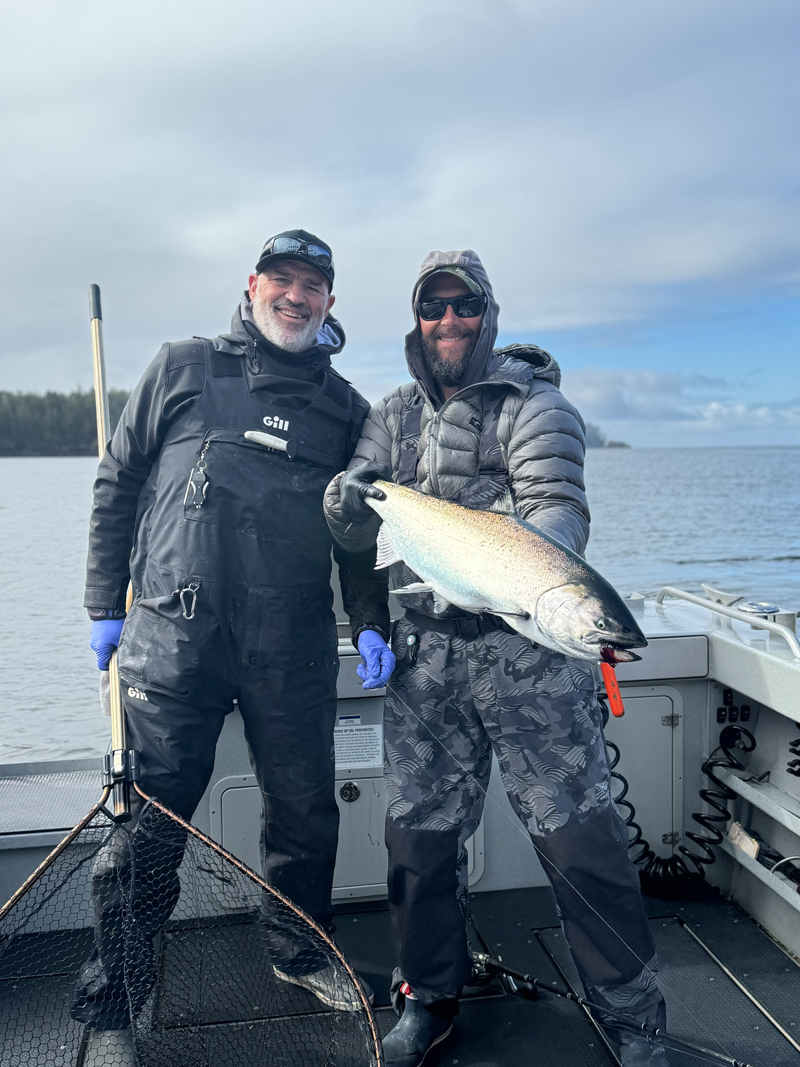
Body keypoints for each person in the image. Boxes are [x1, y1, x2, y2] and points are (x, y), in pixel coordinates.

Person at [324, 250, 668, 1067]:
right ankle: (429, 995)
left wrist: (537, 574)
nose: (450, 320)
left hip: (533, 660)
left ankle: (632, 1017)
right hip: (425, 664)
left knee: (581, 840)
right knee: (417, 842)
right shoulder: (391, 415)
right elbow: (359, 525)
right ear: (418, 318)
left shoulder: (538, 406)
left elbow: (558, 509)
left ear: (490, 313)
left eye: (465, 305)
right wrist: (344, 519)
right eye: (434, 307)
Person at [78, 230, 396, 1064]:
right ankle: (121, 985)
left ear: (330, 302)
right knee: (148, 823)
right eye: (281, 281)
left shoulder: (346, 411)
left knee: (304, 812)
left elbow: (359, 538)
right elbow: (118, 479)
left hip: (288, 644)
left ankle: (299, 952)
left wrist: (371, 620)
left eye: (313, 287)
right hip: (171, 638)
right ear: (252, 285)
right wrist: (99, 603)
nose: (295, 297)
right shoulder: (184, 366)